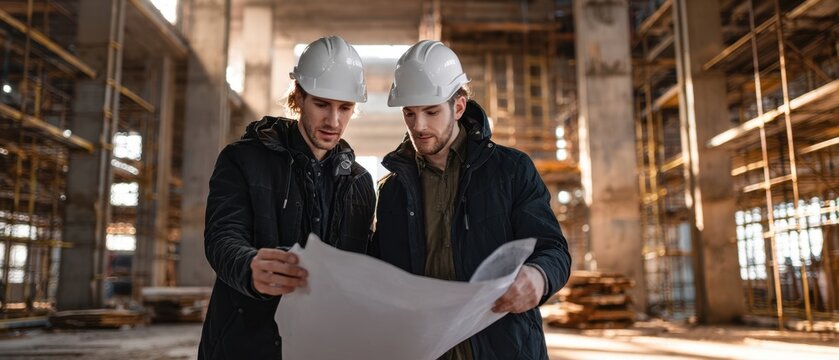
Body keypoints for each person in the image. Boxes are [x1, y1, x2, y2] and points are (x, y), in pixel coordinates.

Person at [370, 40, 571, 359]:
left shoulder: (510, 170)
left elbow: (553, 249)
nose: (418, 126)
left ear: (459, 107)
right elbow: (380, 276)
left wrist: (539, 275)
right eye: (409, 113)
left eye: (431, 111)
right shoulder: (393, 189)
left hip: (503, 349)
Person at [199, 36, 375, 359]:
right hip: (246, 344)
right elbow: (222, 237)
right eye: (322, 104)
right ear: (298, 97)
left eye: (345, 108)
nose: (334, 121)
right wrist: (250, 266)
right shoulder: (242, 160)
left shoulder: (361, 184)